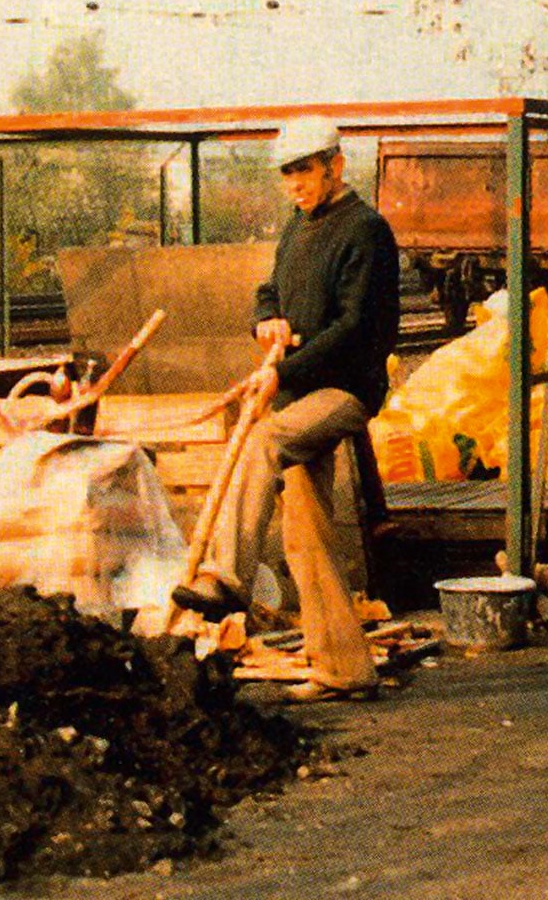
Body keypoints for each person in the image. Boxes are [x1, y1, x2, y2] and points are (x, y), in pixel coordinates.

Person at [171, 116, 400, 703]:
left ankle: (228, 577)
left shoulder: (366, 232)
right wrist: (264, 319)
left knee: (265, 441)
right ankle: (344, 669)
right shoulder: (298, 229)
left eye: (305, 171)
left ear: (335, 166)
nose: (295, 183)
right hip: (300, 389)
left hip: (345, 391)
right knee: (307, 534)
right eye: (288, 174)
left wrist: (283, 372)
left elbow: (353, 329)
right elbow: (269, 289)